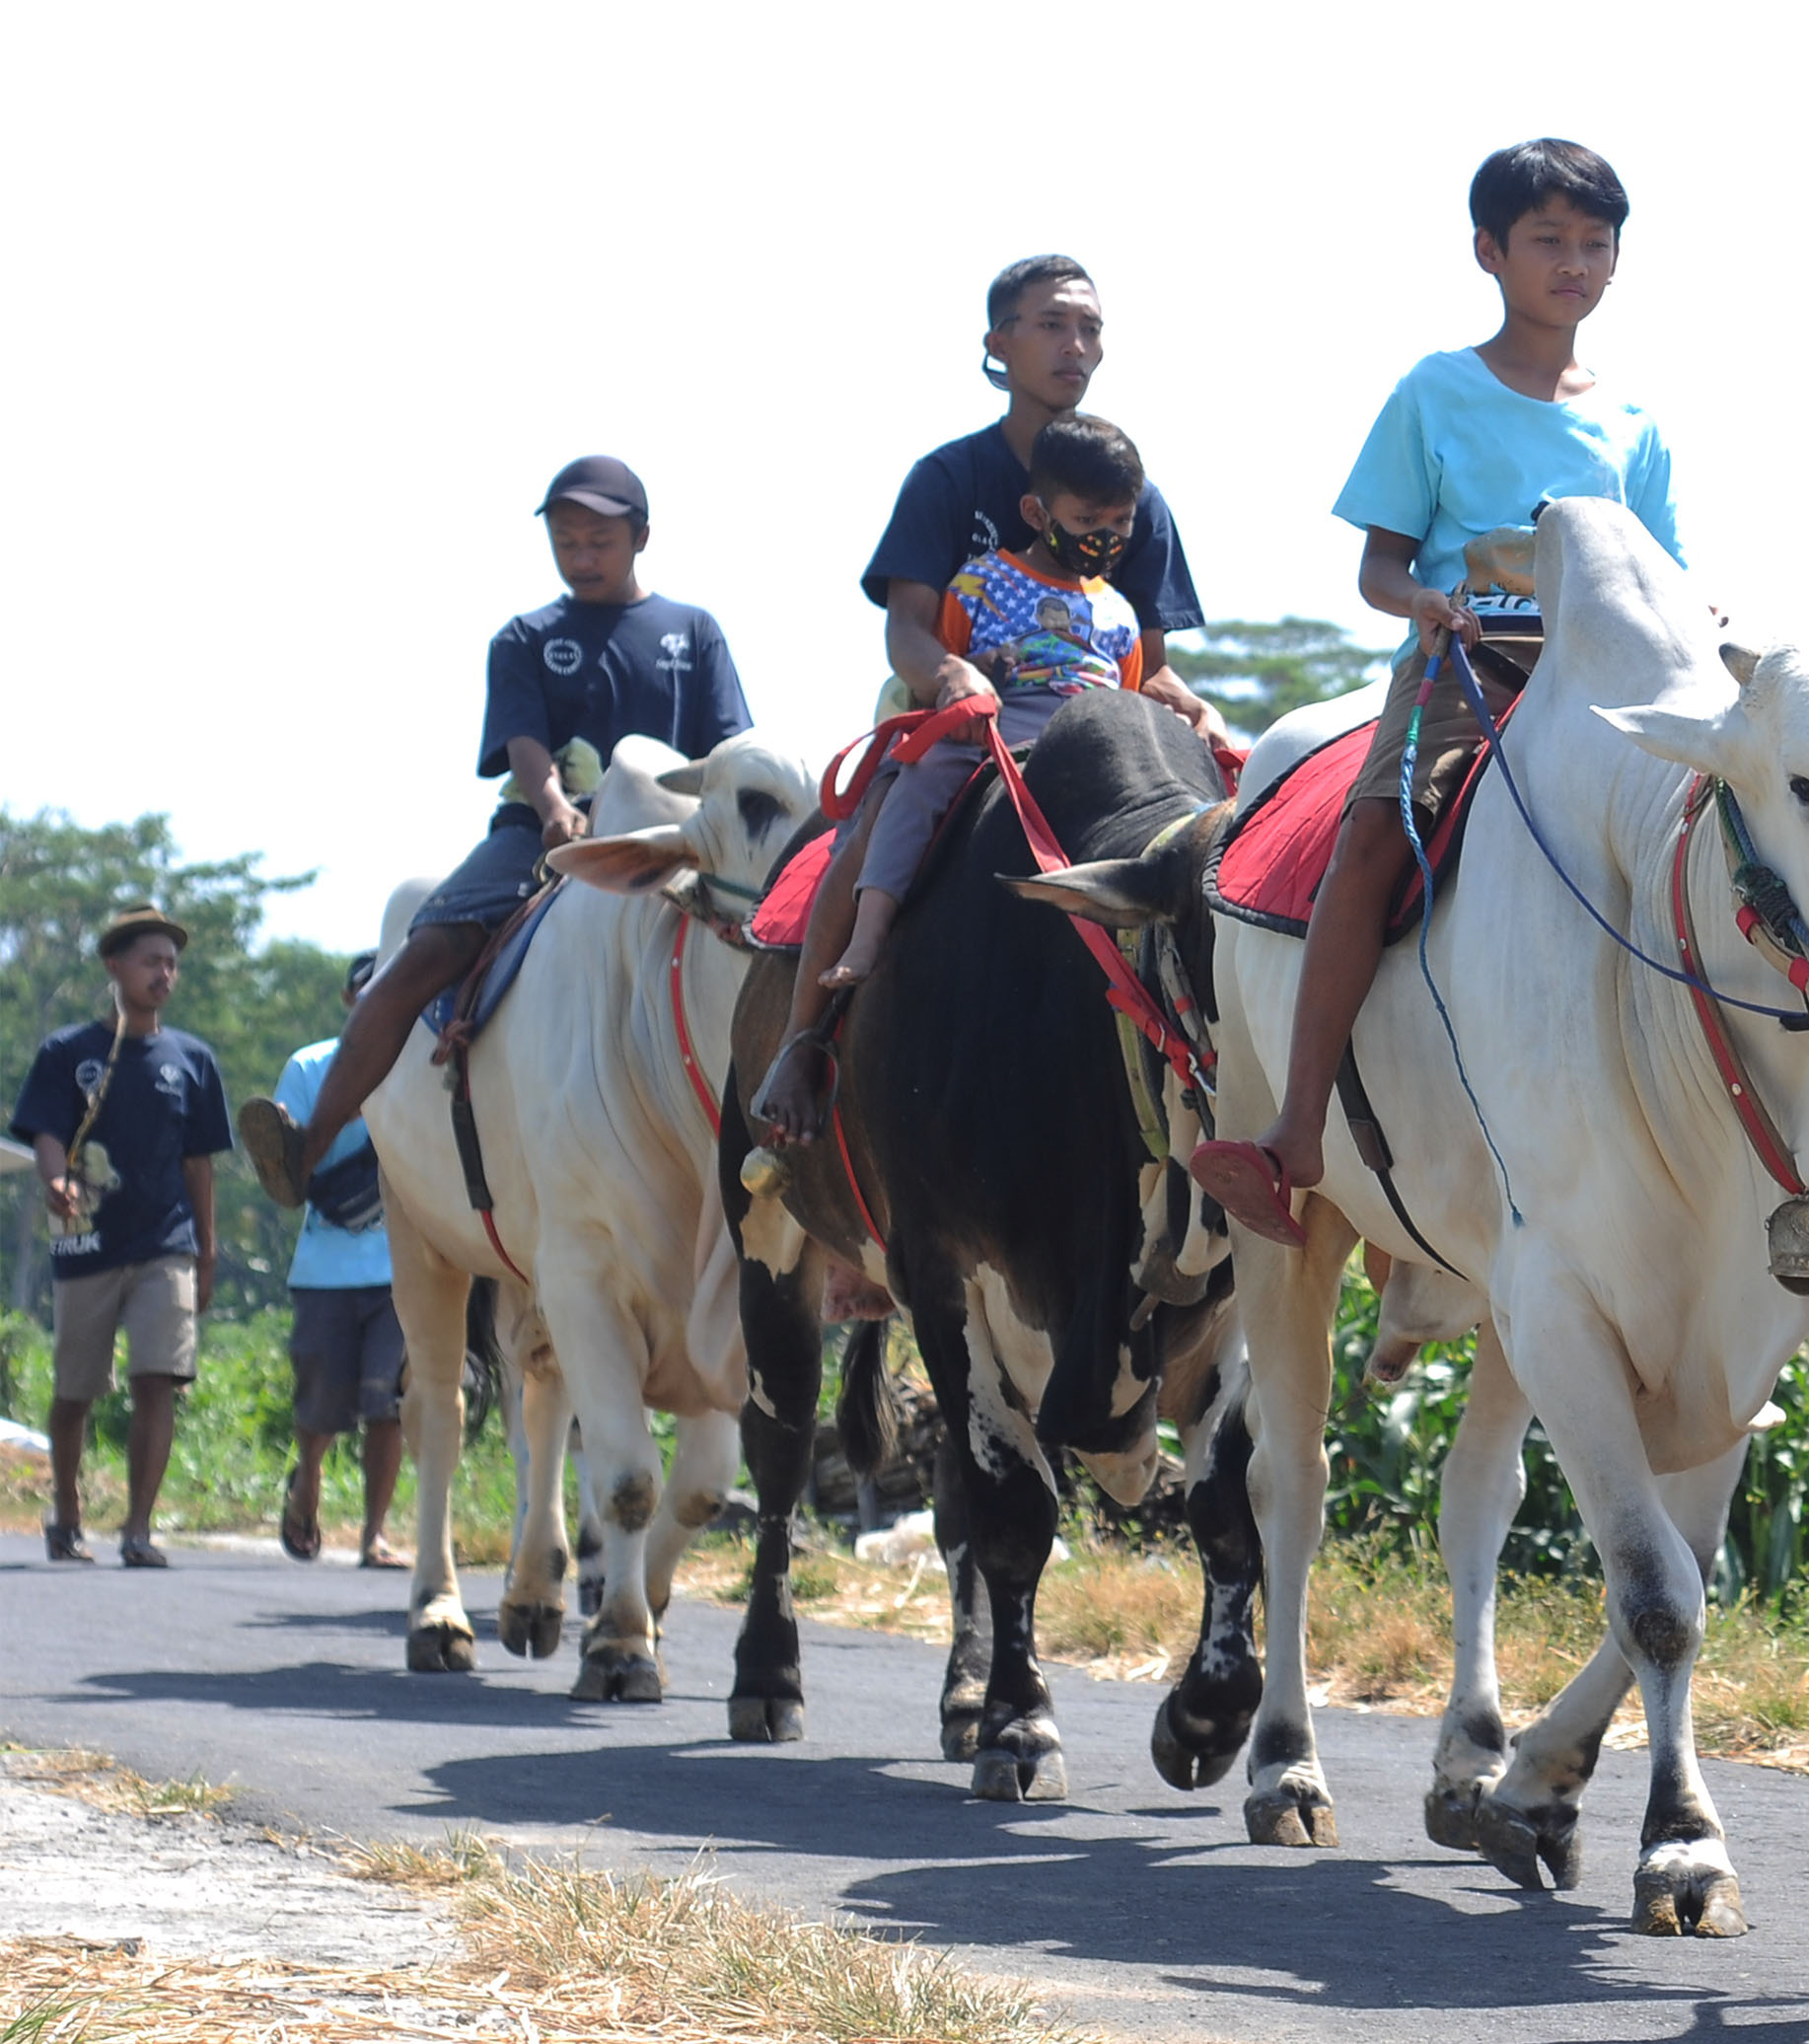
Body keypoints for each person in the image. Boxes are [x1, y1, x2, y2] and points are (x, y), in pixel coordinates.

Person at [1188, 139, 1682, 1246]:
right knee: (1373, 837)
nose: (1575, 262)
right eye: (1548, 239)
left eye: (1595, 243)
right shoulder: (1435, 389)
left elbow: (1664, 569)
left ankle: (1779, 1155)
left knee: (1730, 827)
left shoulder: (1633, 420)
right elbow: (1379, 564)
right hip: (1471, 663)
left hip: (1598, 674)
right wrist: (1425, 604)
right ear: (1488, 250)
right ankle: (1297, 1127)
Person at [753, 256, 1221, 1140]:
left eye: (1089, 328)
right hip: (962, 708)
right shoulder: (948, 477)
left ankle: (1215, 1060)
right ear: (999, 344)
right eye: (1051, 324)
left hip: (1100, 718)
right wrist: (951, 675)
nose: (1074, 345)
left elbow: (1145, 660)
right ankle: (804, 1040)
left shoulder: (1134, 491)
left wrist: (1194, 707)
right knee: (879, 816)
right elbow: (909, 630)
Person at [241, 458, 751, 1206]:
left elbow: (728, 749)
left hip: (667, 841)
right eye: (566, 540)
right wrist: (552, 809)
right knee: (423, 953)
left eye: (599, 540)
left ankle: (797, 1158)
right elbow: (523, 743)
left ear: (641, 537)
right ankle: (308, 1144)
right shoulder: (526, 636)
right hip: (541, 833)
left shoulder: (693, 631)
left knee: (773, 941)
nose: (581, 555)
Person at [819, 414, 1165, 995]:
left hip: (1094, 731)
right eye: (1085, 521)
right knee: (920, 777)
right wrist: (967, 689)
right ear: (1037, 513)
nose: (1104, 537)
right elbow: (946, 664)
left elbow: (1127, 692)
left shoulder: (1122, 615)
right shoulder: (978, 584)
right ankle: (868, 931)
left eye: (1121, 523)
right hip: (998, 724)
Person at [13, 905, 231, 1567]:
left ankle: (138, 1527)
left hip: (166, 1241)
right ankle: (68, 1513)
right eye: (150, 961)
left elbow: (200, 1163)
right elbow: (47, 1131)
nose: (163, 973)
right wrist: (56, 1180)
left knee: (156, 1378)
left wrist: (207, 1249)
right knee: (75, 1390)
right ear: (116, 967)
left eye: (171, 962)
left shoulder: (192, 1060)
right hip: (88, 1244)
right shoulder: (68, 1053)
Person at [270, 954, 406, 1570]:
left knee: (391, 1402)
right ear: (351, 1001)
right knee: (321, 1403)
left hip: (403, 1264)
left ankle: (374, 1532)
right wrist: (348, 1104)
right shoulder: (310, 1065)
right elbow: (285, 1170)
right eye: (368, 989)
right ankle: (309, 1481)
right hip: (326, 1265)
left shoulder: (421, 1061)